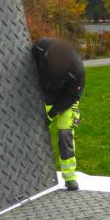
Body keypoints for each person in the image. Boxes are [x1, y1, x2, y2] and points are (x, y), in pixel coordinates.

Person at [33, 38, 84, 190]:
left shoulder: (77, 71)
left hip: (66, 100)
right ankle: (34, 173)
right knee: (34, 129)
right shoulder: (41, 48)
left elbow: (72, 97)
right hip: (45, 95)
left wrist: (52, 114)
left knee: (64, 134)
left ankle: (69, 177)